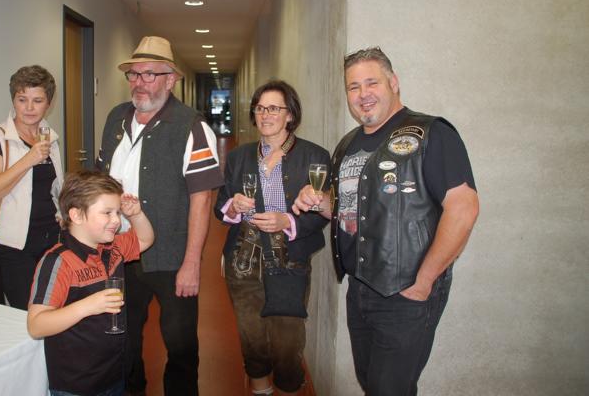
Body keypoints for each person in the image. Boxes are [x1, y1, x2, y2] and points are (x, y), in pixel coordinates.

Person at [293, 47, 479, 395]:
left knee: (388, 388)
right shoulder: (347, 144)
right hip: (360, 288)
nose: (363, 94)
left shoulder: (431, 133)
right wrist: (319, 202)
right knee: (372, 382)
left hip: (405, 290)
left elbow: (463, 209)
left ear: (393, 82)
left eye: (372, 83)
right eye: (353, 86)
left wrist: (423, 282)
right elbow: (349, 211)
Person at [96, 36, 223, 396]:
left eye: (150, 74)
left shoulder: (192, 127)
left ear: (171, 80)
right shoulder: (116, 118)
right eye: (134, 74)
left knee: (180, 346)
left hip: (171, 257)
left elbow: (202, 199)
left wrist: (192, 263)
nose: (140, 82)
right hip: (119, 251)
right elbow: (101, 182)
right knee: (122, 338)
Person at [214, 81, 329, 396]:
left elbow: (325, 211)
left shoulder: (314, 156)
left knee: (287, 340)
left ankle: (289, 387)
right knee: (250, 335)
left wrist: (287, 220)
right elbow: (220, 206)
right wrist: (233, 206)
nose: (265, 114)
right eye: (260, 108)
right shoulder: (239, 156)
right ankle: (260, 389)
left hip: (288, 261)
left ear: (290, 115)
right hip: (243, 260)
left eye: (274, 108)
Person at [27, 170, 154, 396]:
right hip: (77, 384)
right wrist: (88, 306)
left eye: (117, 212)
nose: (117, 220)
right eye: (107, 213)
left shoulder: (112, 247)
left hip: (114, 373)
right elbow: (36, 325)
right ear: (76, 215)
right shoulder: (59, 262)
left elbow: (145, 239)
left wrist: (136, 215)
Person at [0, 65, 64, 310]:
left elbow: (54, 187)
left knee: (51, 308)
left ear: (48, 104)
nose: (29, 108)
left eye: (38, 100)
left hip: (50, 240)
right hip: (14, 247)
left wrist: (64, 212)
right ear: (13, 100)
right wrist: (29, 159)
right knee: (27, 314)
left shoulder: (50, 138)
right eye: (22, 99)